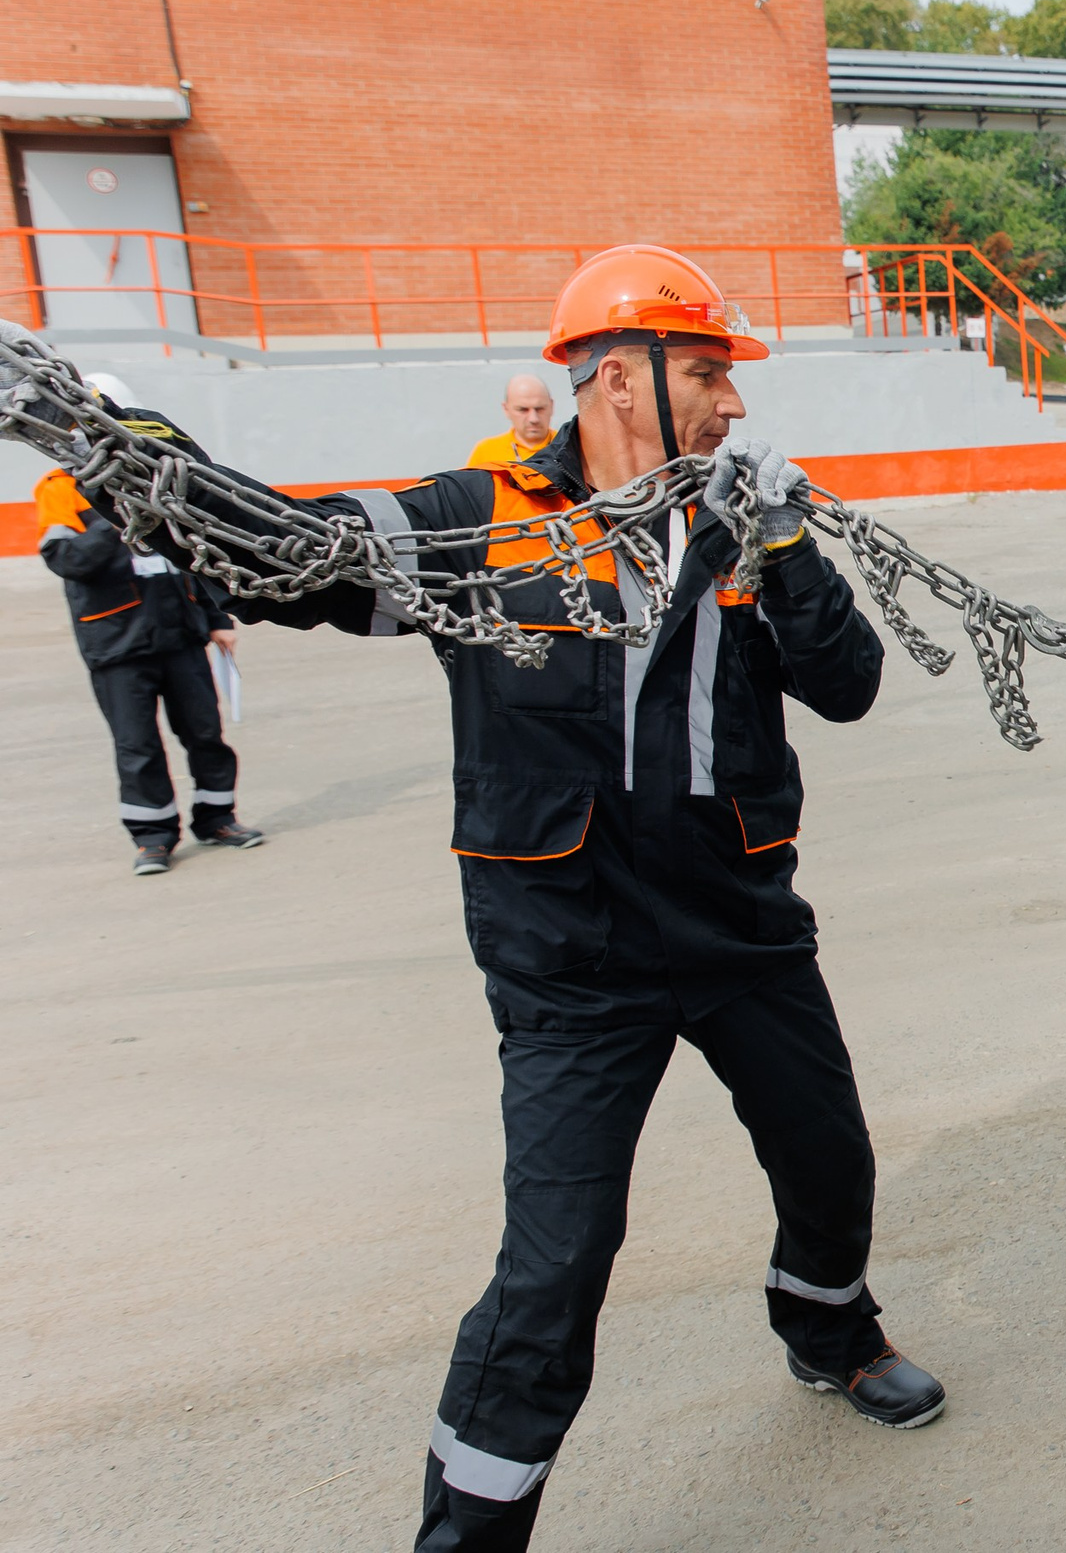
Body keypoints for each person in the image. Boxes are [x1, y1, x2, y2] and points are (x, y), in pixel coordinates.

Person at [61, 248, 943, 1549]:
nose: (734, 404)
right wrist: (135, 452)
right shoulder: (483, 519)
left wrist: (792, 538)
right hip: (570, 954)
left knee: (831, 1159)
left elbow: (851, 682)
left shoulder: (743, 519)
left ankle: (830, 1326)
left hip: (743, 924)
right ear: (618, 380)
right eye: (708, 374)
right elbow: (301, 553)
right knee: (554, 1272)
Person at [36, 374, 265, 875]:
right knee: (137, 744)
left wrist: (216, 617)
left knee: (205, 732)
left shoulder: (155, 476)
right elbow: (67, 559)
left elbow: (191, 557)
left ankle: (218, 817)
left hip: (181, 634)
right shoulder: (60, 490)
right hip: (116, 642)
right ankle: (153, 838)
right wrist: (114, 515)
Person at [465, 373, 557, 467]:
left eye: (540, 409)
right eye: (522, 410)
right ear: (506, 409)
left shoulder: (568, 447)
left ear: (551, 406)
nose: (533, 419)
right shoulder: (486, 451)